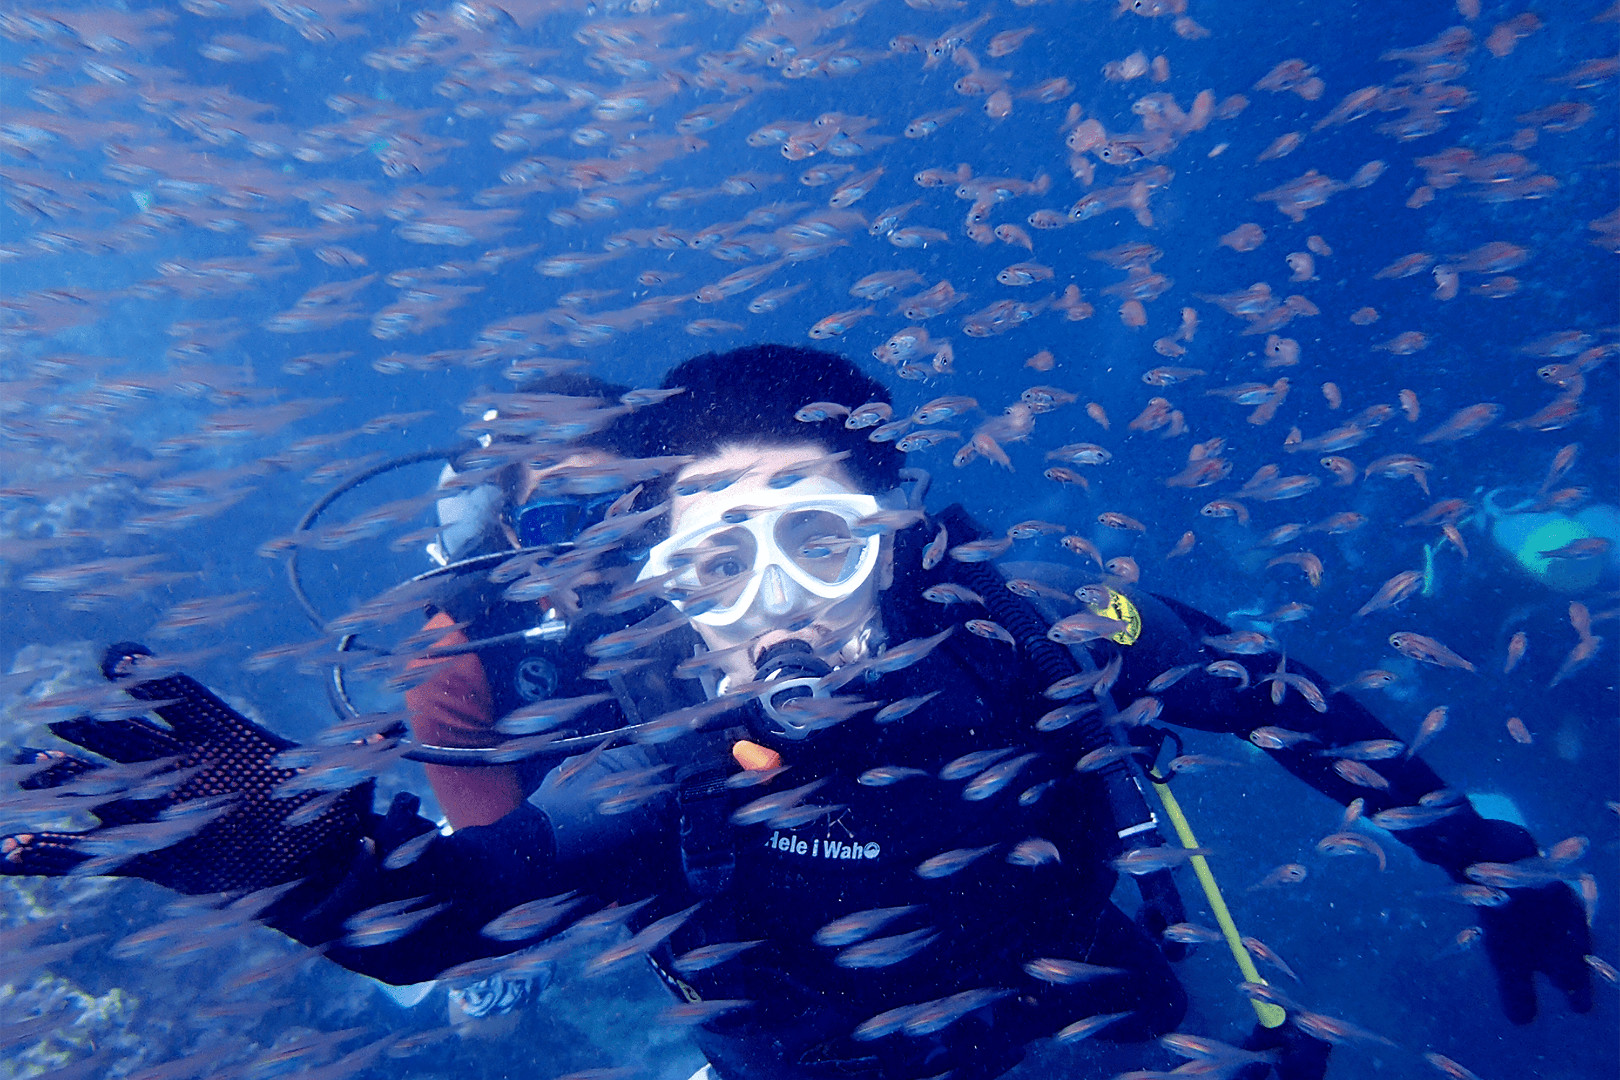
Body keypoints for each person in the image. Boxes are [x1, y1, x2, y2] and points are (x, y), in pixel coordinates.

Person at [2, 345, 1594, 1080]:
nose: (780, 596)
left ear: (895, 539)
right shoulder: (666, 768)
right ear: (666, 587)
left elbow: (1289, 704)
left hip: (1106, 1024)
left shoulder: (1046, 643)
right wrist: (306, 858)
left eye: (819, 539)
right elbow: (448, 920)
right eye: (720, 556)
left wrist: (1486, 863)